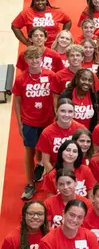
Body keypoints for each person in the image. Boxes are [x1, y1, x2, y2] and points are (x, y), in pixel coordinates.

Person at [13, 46, 56, 200]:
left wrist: (56, 116)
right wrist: (19, 123)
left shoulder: (50, 75)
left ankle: (45, 173)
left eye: (37, 58)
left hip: (48, 121)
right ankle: (30, 184)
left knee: (46, 152)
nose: (34, 61)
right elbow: (17, 101)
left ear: (41, 59)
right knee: (29, 151)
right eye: (31, 58)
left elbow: (56, 98)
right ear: (26, 60)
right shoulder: (20, 79)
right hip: (29, 122)